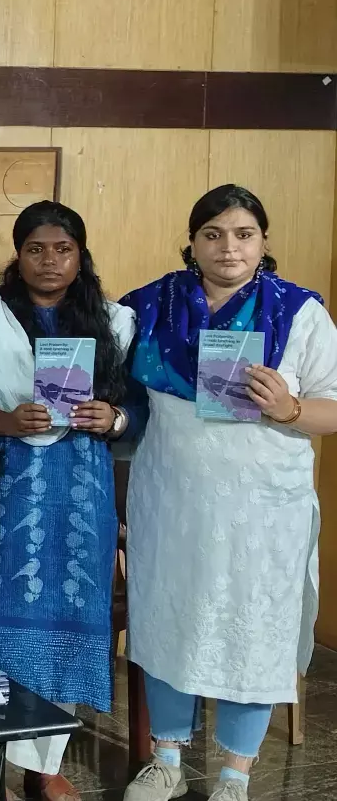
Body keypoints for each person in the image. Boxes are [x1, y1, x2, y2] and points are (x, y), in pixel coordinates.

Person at [119, 185, 337, 801]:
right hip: (172, 501)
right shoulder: (149, 307)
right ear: (192, 242)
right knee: (168, 618)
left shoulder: (299, 312)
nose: (228, 247)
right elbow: (120, 395)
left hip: (264, 510)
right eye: (213, 234)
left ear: (264, 242)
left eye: (244, 234)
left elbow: (332, 408)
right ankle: (165, 760)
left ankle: (235, 776)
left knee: (253, 627)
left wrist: (289, 408)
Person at [0, 202, 146, 801]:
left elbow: (139, 407)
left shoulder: (114, 323)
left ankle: (43, 764)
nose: (49, 260)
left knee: (65, 624)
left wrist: (114, 418)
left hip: (78, 497)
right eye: (36, 249)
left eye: (63, 249)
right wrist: (5, 420)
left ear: (80, 255)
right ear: (18, 254)